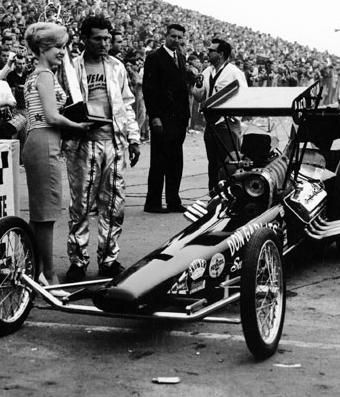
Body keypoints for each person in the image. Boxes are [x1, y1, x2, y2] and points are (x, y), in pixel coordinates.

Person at [63, 16, 141, 282]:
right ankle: (78, 261)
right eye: (98, 38)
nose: (104, 43)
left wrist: (133, 138)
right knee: (81, 205)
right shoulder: (71, 68)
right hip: (84, 144)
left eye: (108, 38)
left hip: (114, 143)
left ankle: (108, 259)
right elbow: (62, 103)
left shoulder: (117, 67)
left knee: (114, 205)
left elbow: (127, 105)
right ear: (85, 39)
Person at [22, 22, 91, 289]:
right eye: (58, 47)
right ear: (42, 48)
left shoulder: (34, 75)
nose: (63, 52)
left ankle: (35, 270)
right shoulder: (47, 76)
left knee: (40, 214)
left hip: (36, 140)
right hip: (45, 141)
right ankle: (48, 275)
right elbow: (51, 116)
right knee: (47, 214)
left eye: (64, 47)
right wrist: (78, 126)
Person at [142, 24, 191, 213]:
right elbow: (149, 89)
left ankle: (173, 200)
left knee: (176, 161)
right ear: (166, 36)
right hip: (162, 118)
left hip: (178, 119)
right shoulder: (155, 57)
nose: (176, 40)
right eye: (173, 37)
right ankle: (153, 202)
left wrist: (186, 117)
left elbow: (181, 90)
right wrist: (154, 116)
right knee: (159, 161)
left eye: (180, 37)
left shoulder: (181, 57)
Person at [191, 38, 248, 191]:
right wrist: (196, 85)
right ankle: (214, 193)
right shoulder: (207, 71)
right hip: (210, 123)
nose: (208, 53)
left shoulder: (234, 72)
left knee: (230, 162)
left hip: (227, 123)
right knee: (213, 162)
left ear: (221, 54)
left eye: (211, 51)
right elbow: (199, 96)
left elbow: (244, 97)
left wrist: (233, 117)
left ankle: (231, 194)